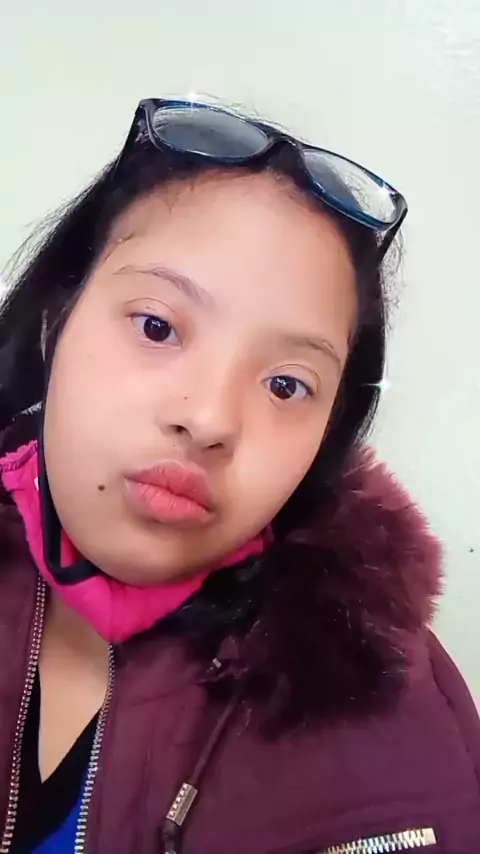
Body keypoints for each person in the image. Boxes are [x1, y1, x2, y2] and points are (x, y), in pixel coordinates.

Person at [0, 98, 478, 854]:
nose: (210, 419)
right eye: (157, 326)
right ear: (55, 323)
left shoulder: (395, 709)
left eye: (286, 385)